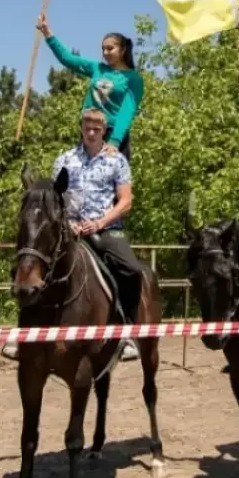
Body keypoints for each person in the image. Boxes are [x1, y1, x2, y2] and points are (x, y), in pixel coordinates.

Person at [54, 108, 148, 326]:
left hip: (107, 229)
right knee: (35, 262)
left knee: (132, 270)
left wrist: (99, 223)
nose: (92, 133)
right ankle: (26, 332)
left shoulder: (118, 161)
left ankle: (128, 330)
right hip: (69, 230)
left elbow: (126, 201)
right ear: (81, 129)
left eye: (97, 129)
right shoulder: (64, 160)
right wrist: (69, 224)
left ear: (104, 130)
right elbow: (55, 199)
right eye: (88, 128)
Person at [37, 14, 144, 158]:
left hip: (112, 136)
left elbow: (127, 111)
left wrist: (115, 141)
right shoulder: (97, 68)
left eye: (110, 48)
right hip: (89, 132)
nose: (105, 53)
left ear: (123, 50)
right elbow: (67, 59)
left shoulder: (133, 78)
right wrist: (47, 33)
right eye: (103, 49)